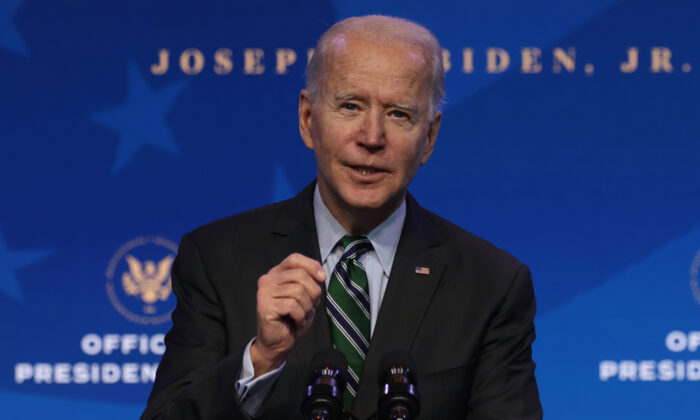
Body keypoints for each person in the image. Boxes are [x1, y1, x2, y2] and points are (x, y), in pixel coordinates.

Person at [141, 15, 542, 420]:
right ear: (308, 119)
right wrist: (260, 359)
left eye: (399, 114)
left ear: (430, 138)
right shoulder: (216, 260)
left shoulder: (491, 285)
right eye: (350, 106)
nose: (371, 137)